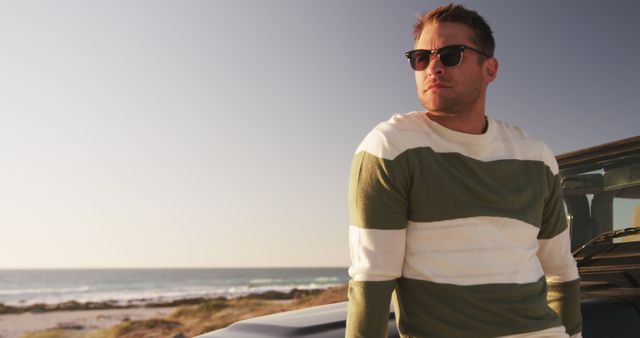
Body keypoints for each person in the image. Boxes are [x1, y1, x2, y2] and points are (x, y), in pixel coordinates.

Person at [346, 4, 582, 338]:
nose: (434, 67)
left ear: (490, 69)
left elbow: (561, 271)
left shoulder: (536, 156)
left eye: (450, 54)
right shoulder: (391, 148)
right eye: (421, 58)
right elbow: (371, 280)